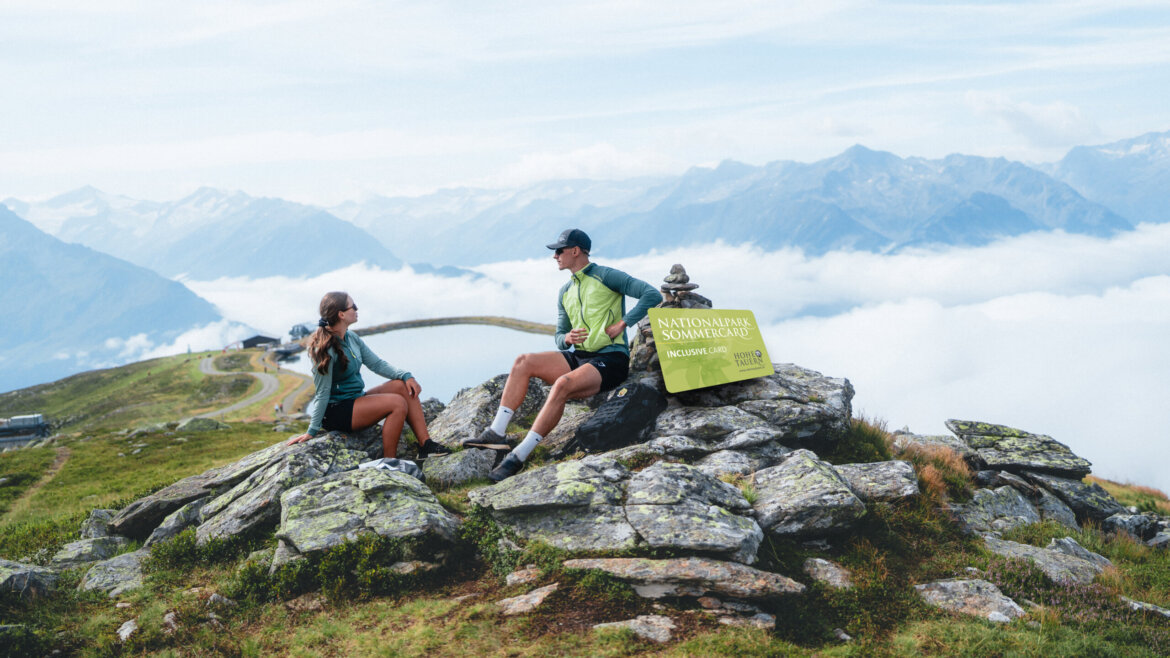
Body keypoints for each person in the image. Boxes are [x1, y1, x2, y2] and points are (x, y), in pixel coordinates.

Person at [474, 229, 661, 482]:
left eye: (559, 251)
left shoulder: (607, 276)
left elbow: (652, 294)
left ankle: (518, 456)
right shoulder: (565, 290)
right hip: (580, 356)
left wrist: (623, 324)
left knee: (562, 384)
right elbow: (559, 335)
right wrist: (567, 339)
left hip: (610, 360)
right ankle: (496, 433)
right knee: (523, 361)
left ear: (576, 251)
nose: (555, 256)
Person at [286, 291, 449, 460]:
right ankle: (389, 463)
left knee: (402, 386)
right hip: (337, 412)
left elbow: (376, 364)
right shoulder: (324, 349)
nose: (357, 309)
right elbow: (322, 392)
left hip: (356, 399)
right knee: (397, 404)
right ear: (341, 314)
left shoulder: (351, 337)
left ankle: (426, 445)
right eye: (353, 306)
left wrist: (406, 375)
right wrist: (312, 431)